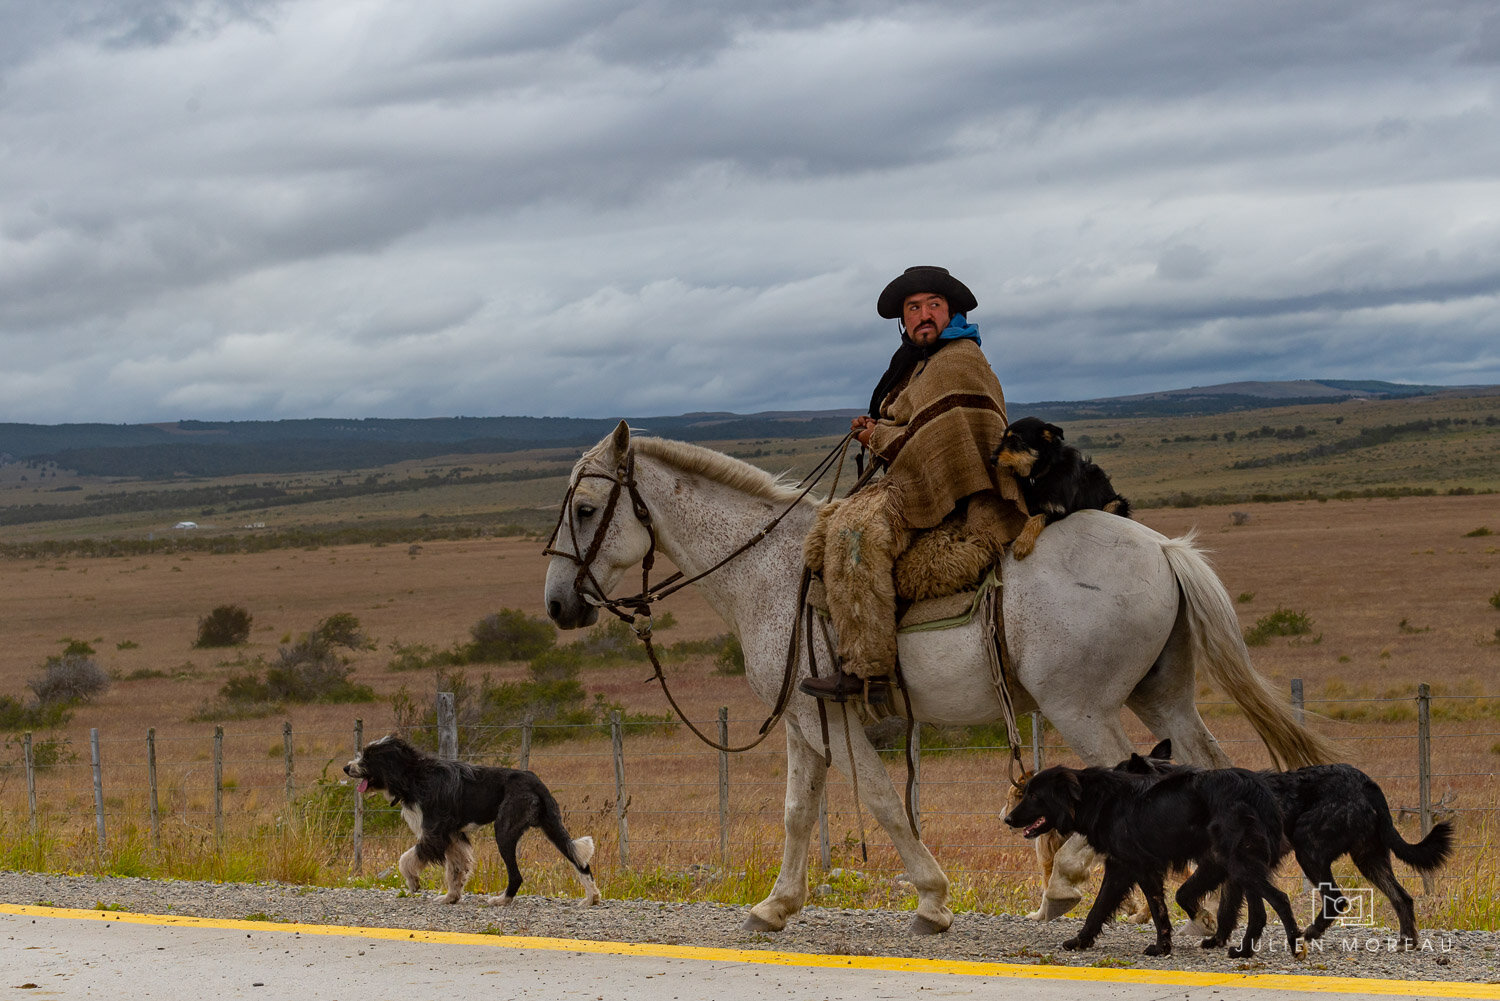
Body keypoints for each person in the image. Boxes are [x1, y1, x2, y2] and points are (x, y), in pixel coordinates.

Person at [799, 266, 1029, 702]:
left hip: (948, 491)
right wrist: (879, 425)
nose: (923, 315)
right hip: (916, 479)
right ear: (904, 321)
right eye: (913, 308)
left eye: (933, 306)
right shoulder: (920, 364)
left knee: (855, 535)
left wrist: (876, 437)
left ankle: (869, 672)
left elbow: (932, 441)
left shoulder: (956, 360)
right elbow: (913, 420)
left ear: (951, 312)